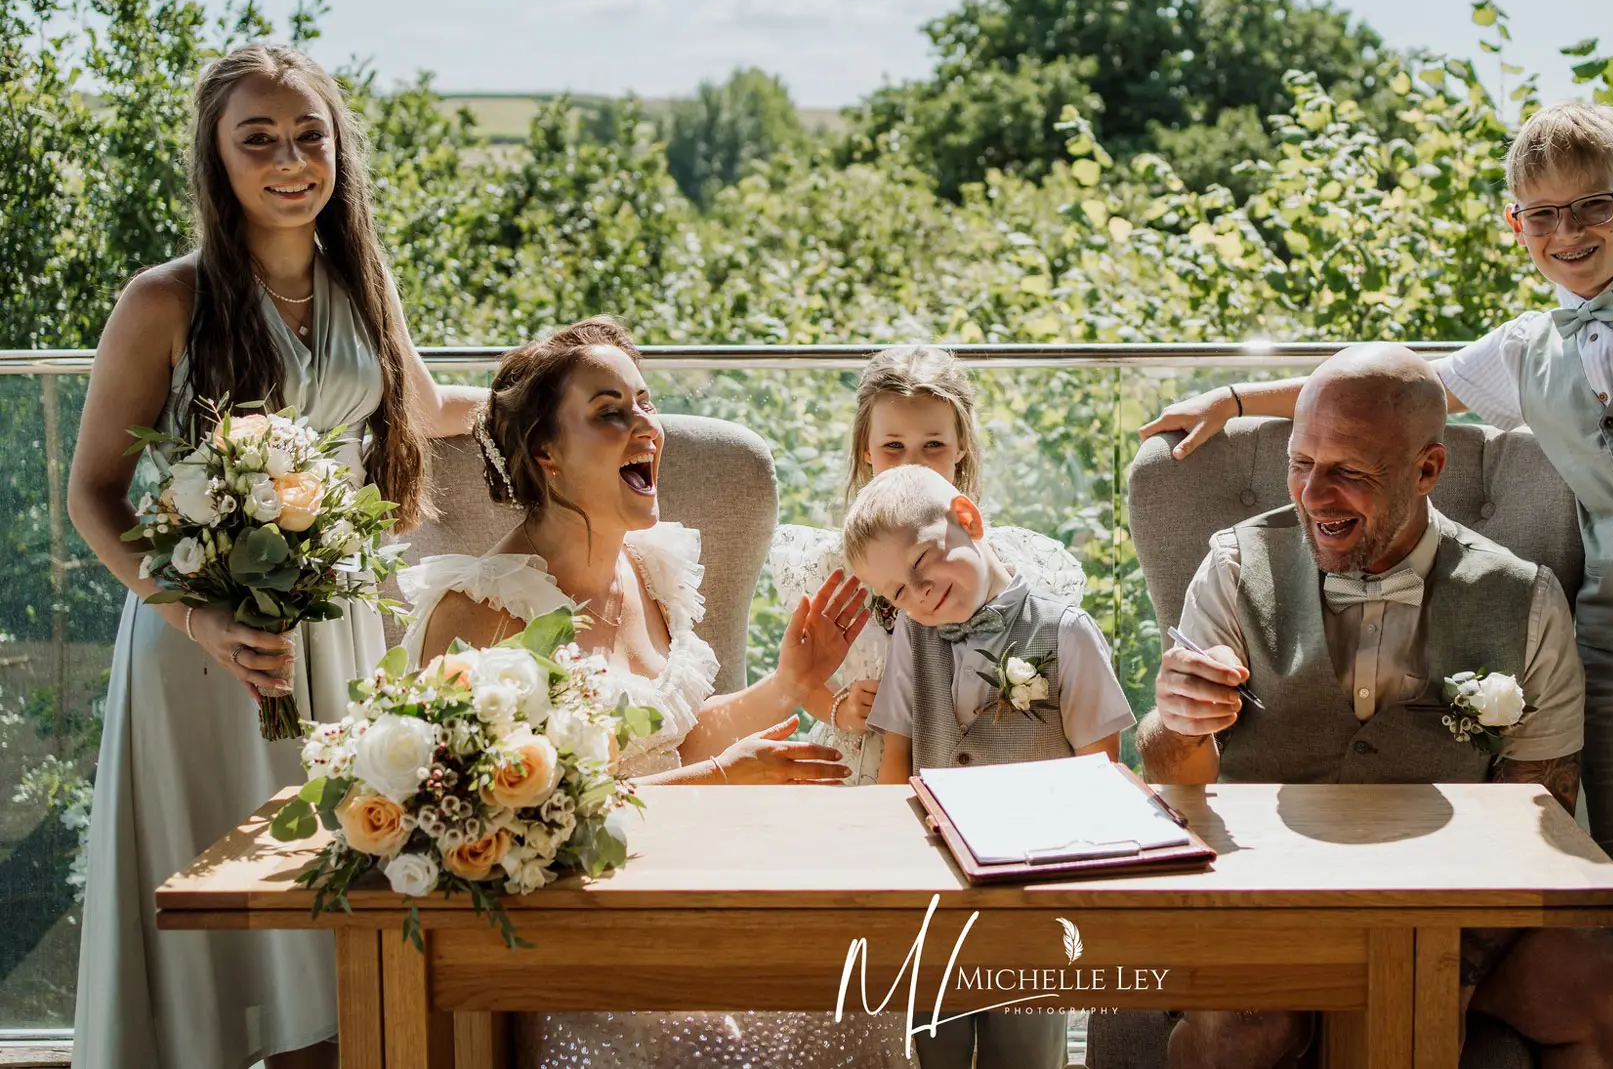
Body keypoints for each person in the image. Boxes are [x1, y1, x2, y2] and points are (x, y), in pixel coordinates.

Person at [1143, 101, 1613, 1069]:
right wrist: (1235, 397)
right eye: (1540, 214)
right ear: (1512, 223)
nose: (1566, 233)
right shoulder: (1527, 348)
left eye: (1589, 207)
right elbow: (1395, 395)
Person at [67, 44, 483, 1069]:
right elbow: (90, 495)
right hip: (198, 639)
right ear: (218, 160)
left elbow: (427, 412)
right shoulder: (163, 299)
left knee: (328, 893)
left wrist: (569, 380)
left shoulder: (361, 279)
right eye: (259, 140)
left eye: (311, 137)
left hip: (333, 627)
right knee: (209, 886)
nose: (291, 159)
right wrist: (200, 619)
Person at [1140, 346, 1613, 1068]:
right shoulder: (1236, 566)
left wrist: (1447, 970)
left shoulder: (1525, 598)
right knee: (1247, 1021)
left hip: (1459, 920)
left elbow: (1539, 815)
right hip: (1269, 902)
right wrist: (1176, 718)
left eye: (1350, 471)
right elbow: (1178, 784)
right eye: (1302, 462)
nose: (1314, 494)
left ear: (1428, 468)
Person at [398, 317, 917, 1067]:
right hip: (570, 926)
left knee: (858, 978)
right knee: (733, 1032)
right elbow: (509, 833)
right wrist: (718, 781)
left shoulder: (648, 567)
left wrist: (787, 687)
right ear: (546, 451)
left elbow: (664, 740)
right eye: (612, 411)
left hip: (684, 878)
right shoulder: (480, 613)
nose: (647, 425)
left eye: (646, 403)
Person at [846, 464, 1135, 1069]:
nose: (919, 593)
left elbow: (1104, 783)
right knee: (931, 1053)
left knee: (1027, 1055)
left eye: (923, 563)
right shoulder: (912, 639)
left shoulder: (1067, 635)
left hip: (1032, 903)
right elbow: (895, 766)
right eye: (898, 591)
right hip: (936, 903)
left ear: (968, 520)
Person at [768, 345, 1086, 786]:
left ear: (961, 448)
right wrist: (839, 707)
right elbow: (803, 679)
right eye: (893, 446)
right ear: (865, 449)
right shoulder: (835, 568)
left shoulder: (996, 563)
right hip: (862, 767)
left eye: (933, 445)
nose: (912, 462)